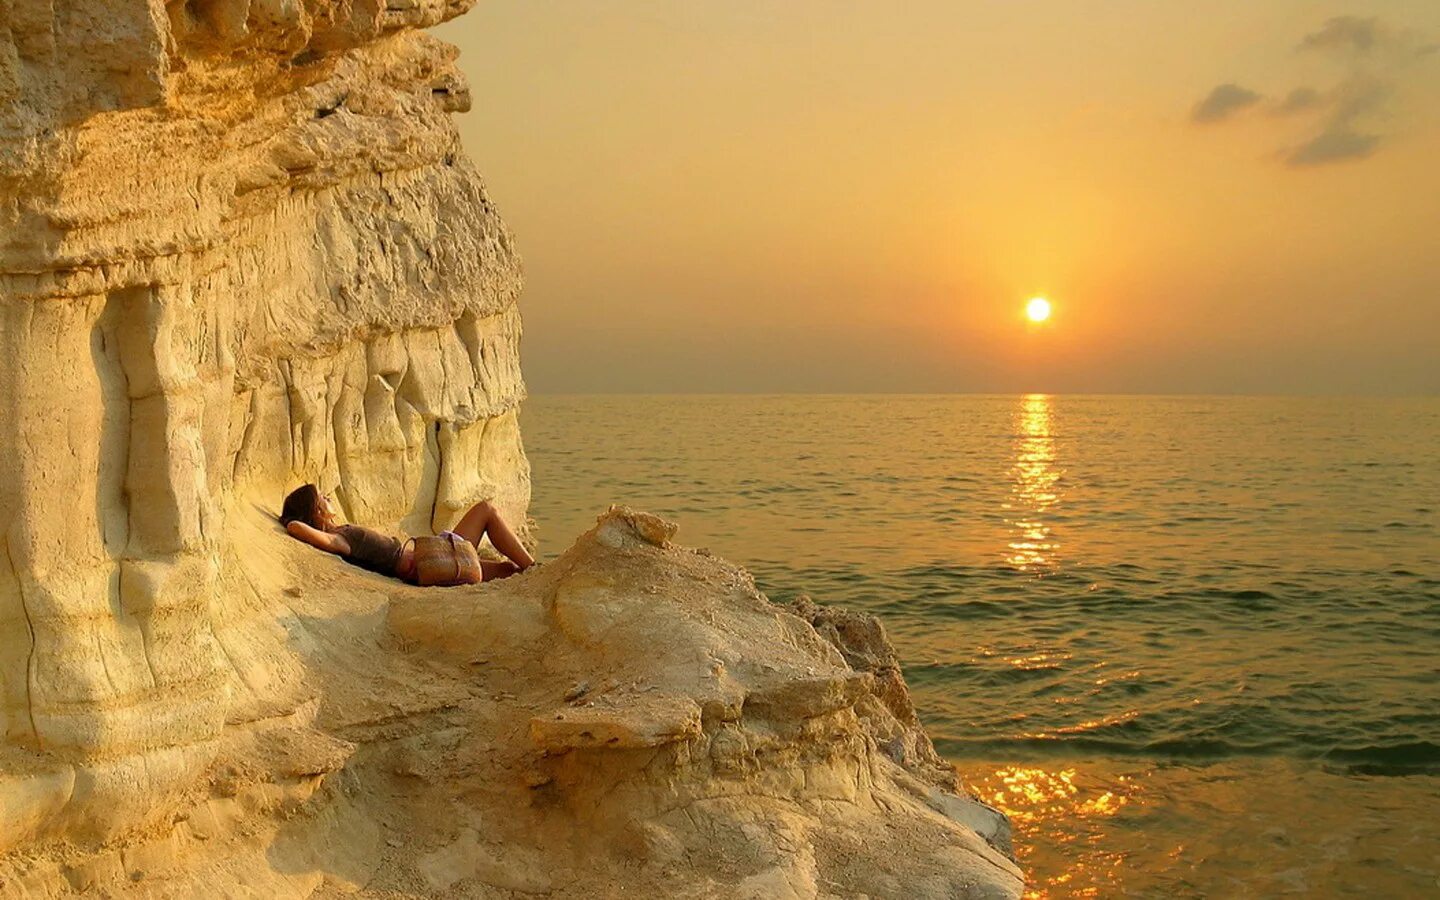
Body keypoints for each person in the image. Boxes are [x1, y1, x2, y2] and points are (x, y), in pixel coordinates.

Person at [279, 484, 535, 584]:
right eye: (322, 498)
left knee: (505, 570)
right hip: (429, 562)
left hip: (430, 557)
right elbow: (300, 530)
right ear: (316, 511)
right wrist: (293, 522)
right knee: (485, 510)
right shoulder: (340, 539)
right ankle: (535, 568)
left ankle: (531, 573)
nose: (328, 496)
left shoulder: (342, 531)